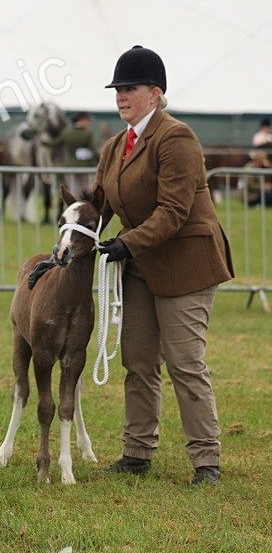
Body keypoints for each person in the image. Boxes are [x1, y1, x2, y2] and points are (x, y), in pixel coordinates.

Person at [94, 45, 234, 487]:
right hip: (140, 262)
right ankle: (137, 451)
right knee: (137, 360)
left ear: (155, 93)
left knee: (185, 362)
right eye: (117, 89)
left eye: (129, 89)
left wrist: (124, 244)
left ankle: (206, 459)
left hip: (186, 264)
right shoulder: (115, 145)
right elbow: (100, 206)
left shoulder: (178, 138)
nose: (121, 96)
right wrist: (72, 239)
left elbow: (173, 211)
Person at [55, 111, 98, 197]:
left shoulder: (66, 134)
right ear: (82, 120)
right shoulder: (87, 134)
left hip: (70, 168)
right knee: (86, 195)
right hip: (86, 169)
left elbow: (54, 144)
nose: (89, 123)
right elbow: (94, 152)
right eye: (88, 121)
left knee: (73, 194)